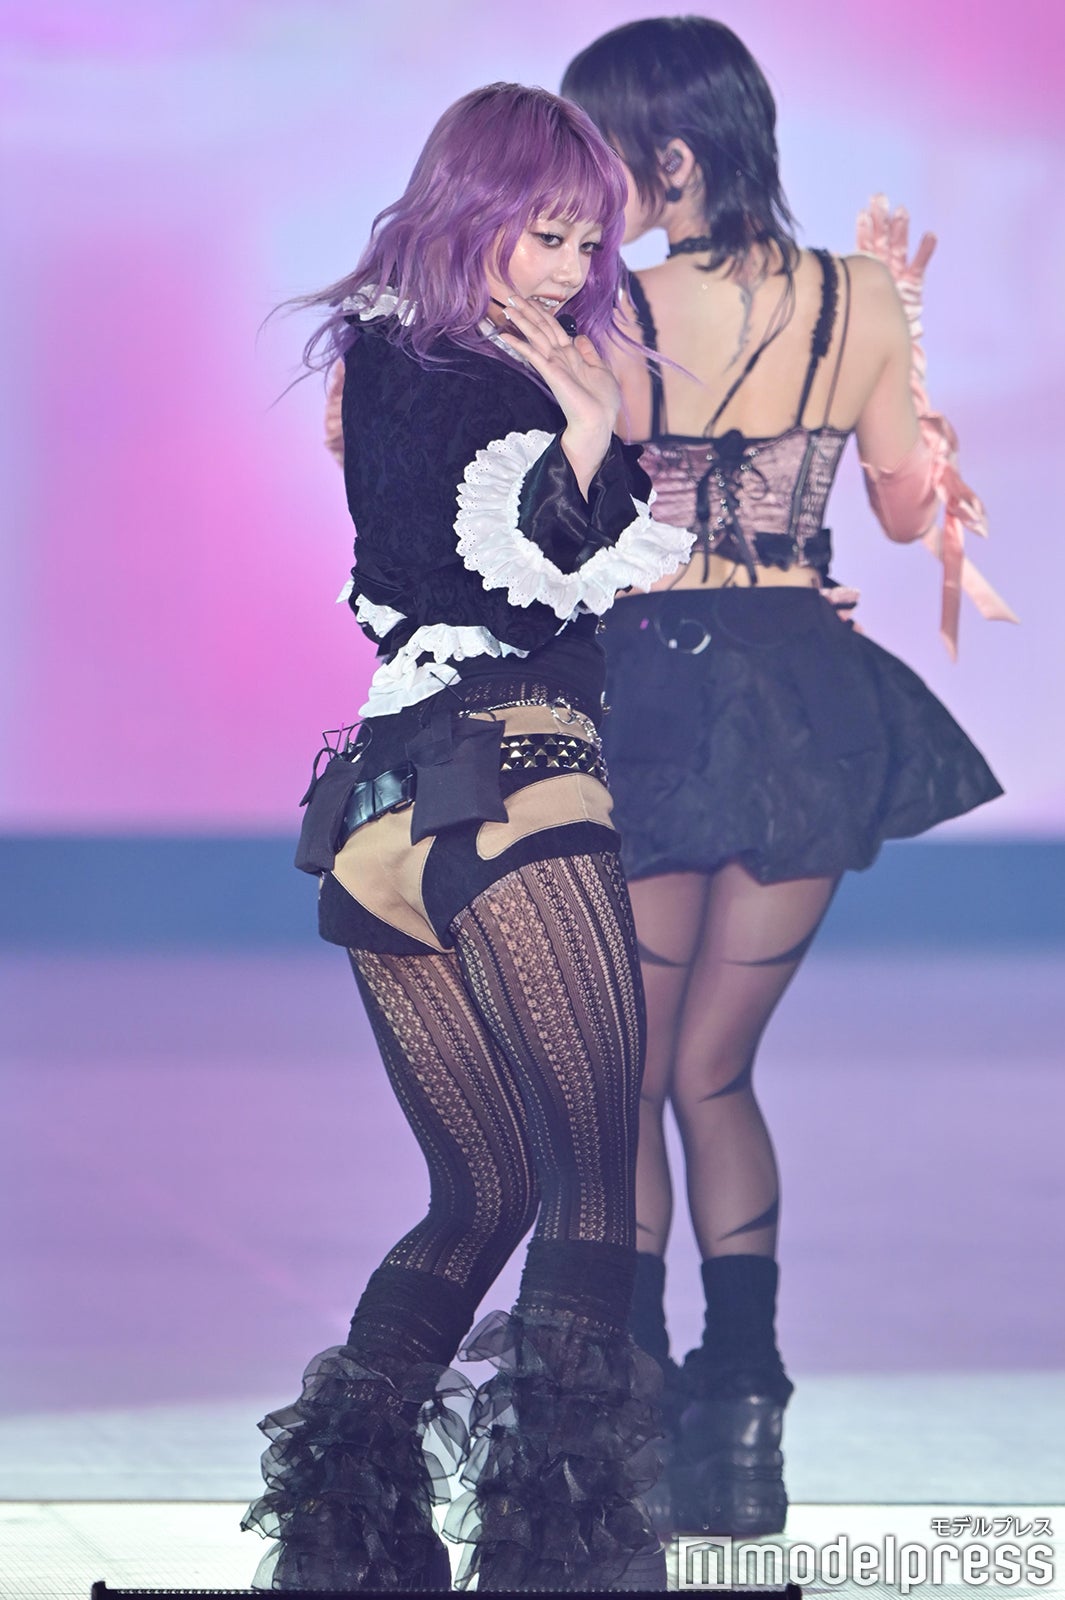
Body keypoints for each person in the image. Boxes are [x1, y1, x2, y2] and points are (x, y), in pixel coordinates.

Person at [242, 82, 695, 1593]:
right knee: (594, 1177)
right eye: (542, 233)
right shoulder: (479, 378)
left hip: (383, 805)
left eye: (584, 241)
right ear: (470, 209)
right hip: (513, 776)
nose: (567, 268)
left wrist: (588, 425)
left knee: (482, 1193)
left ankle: (347, 1540)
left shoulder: (382, 355)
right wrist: (592, 425)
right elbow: (520, 580)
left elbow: (442, 566)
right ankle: (558, 1553)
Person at [561, 17, 1011, 1538]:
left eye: (602, 151)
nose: (588, 186)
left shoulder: (614, 309)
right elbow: (902, 515)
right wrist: (912, 413)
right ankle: (743, 1419)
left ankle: (626, 1418)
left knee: (631, 1076)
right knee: (715, 1073)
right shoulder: (864, 295)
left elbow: (585, 517)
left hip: (651, 693)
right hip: (802, 694)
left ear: (673, 157)